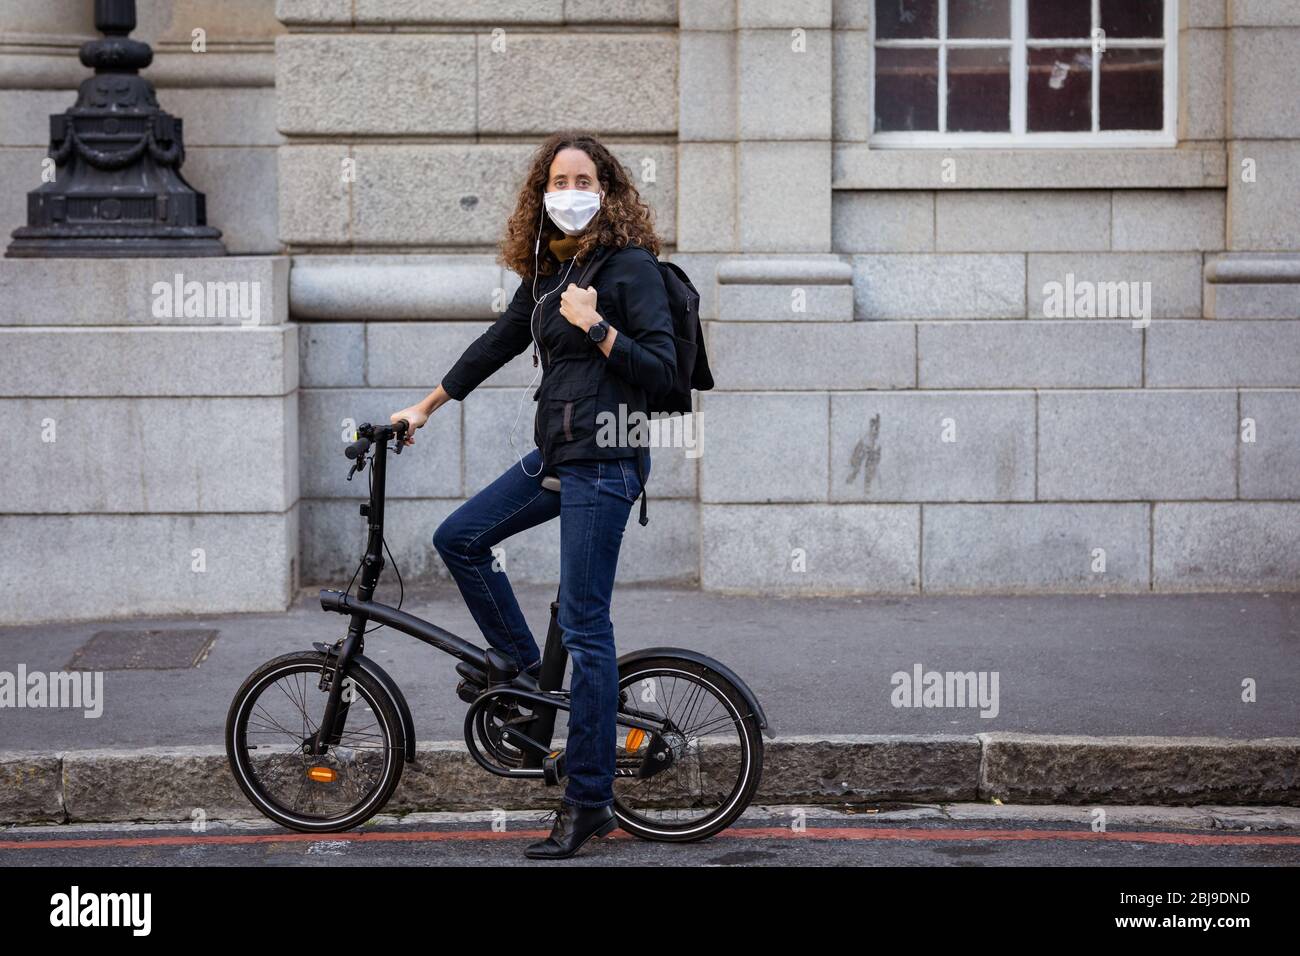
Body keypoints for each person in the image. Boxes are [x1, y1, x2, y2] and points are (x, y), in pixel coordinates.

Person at [389, 130, 676, 859]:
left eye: (584, 179)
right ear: (541, 195)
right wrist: (423, 407)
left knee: (585, 627)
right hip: (557, 456)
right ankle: (522, 675)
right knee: (459, 537)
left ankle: (588, 801)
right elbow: (497, 343)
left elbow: (666, 373)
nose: (570, 191)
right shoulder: (551, 274)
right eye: (558, 180)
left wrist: (600, 328)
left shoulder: (631, 268)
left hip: (607, 461)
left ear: (606, 192)